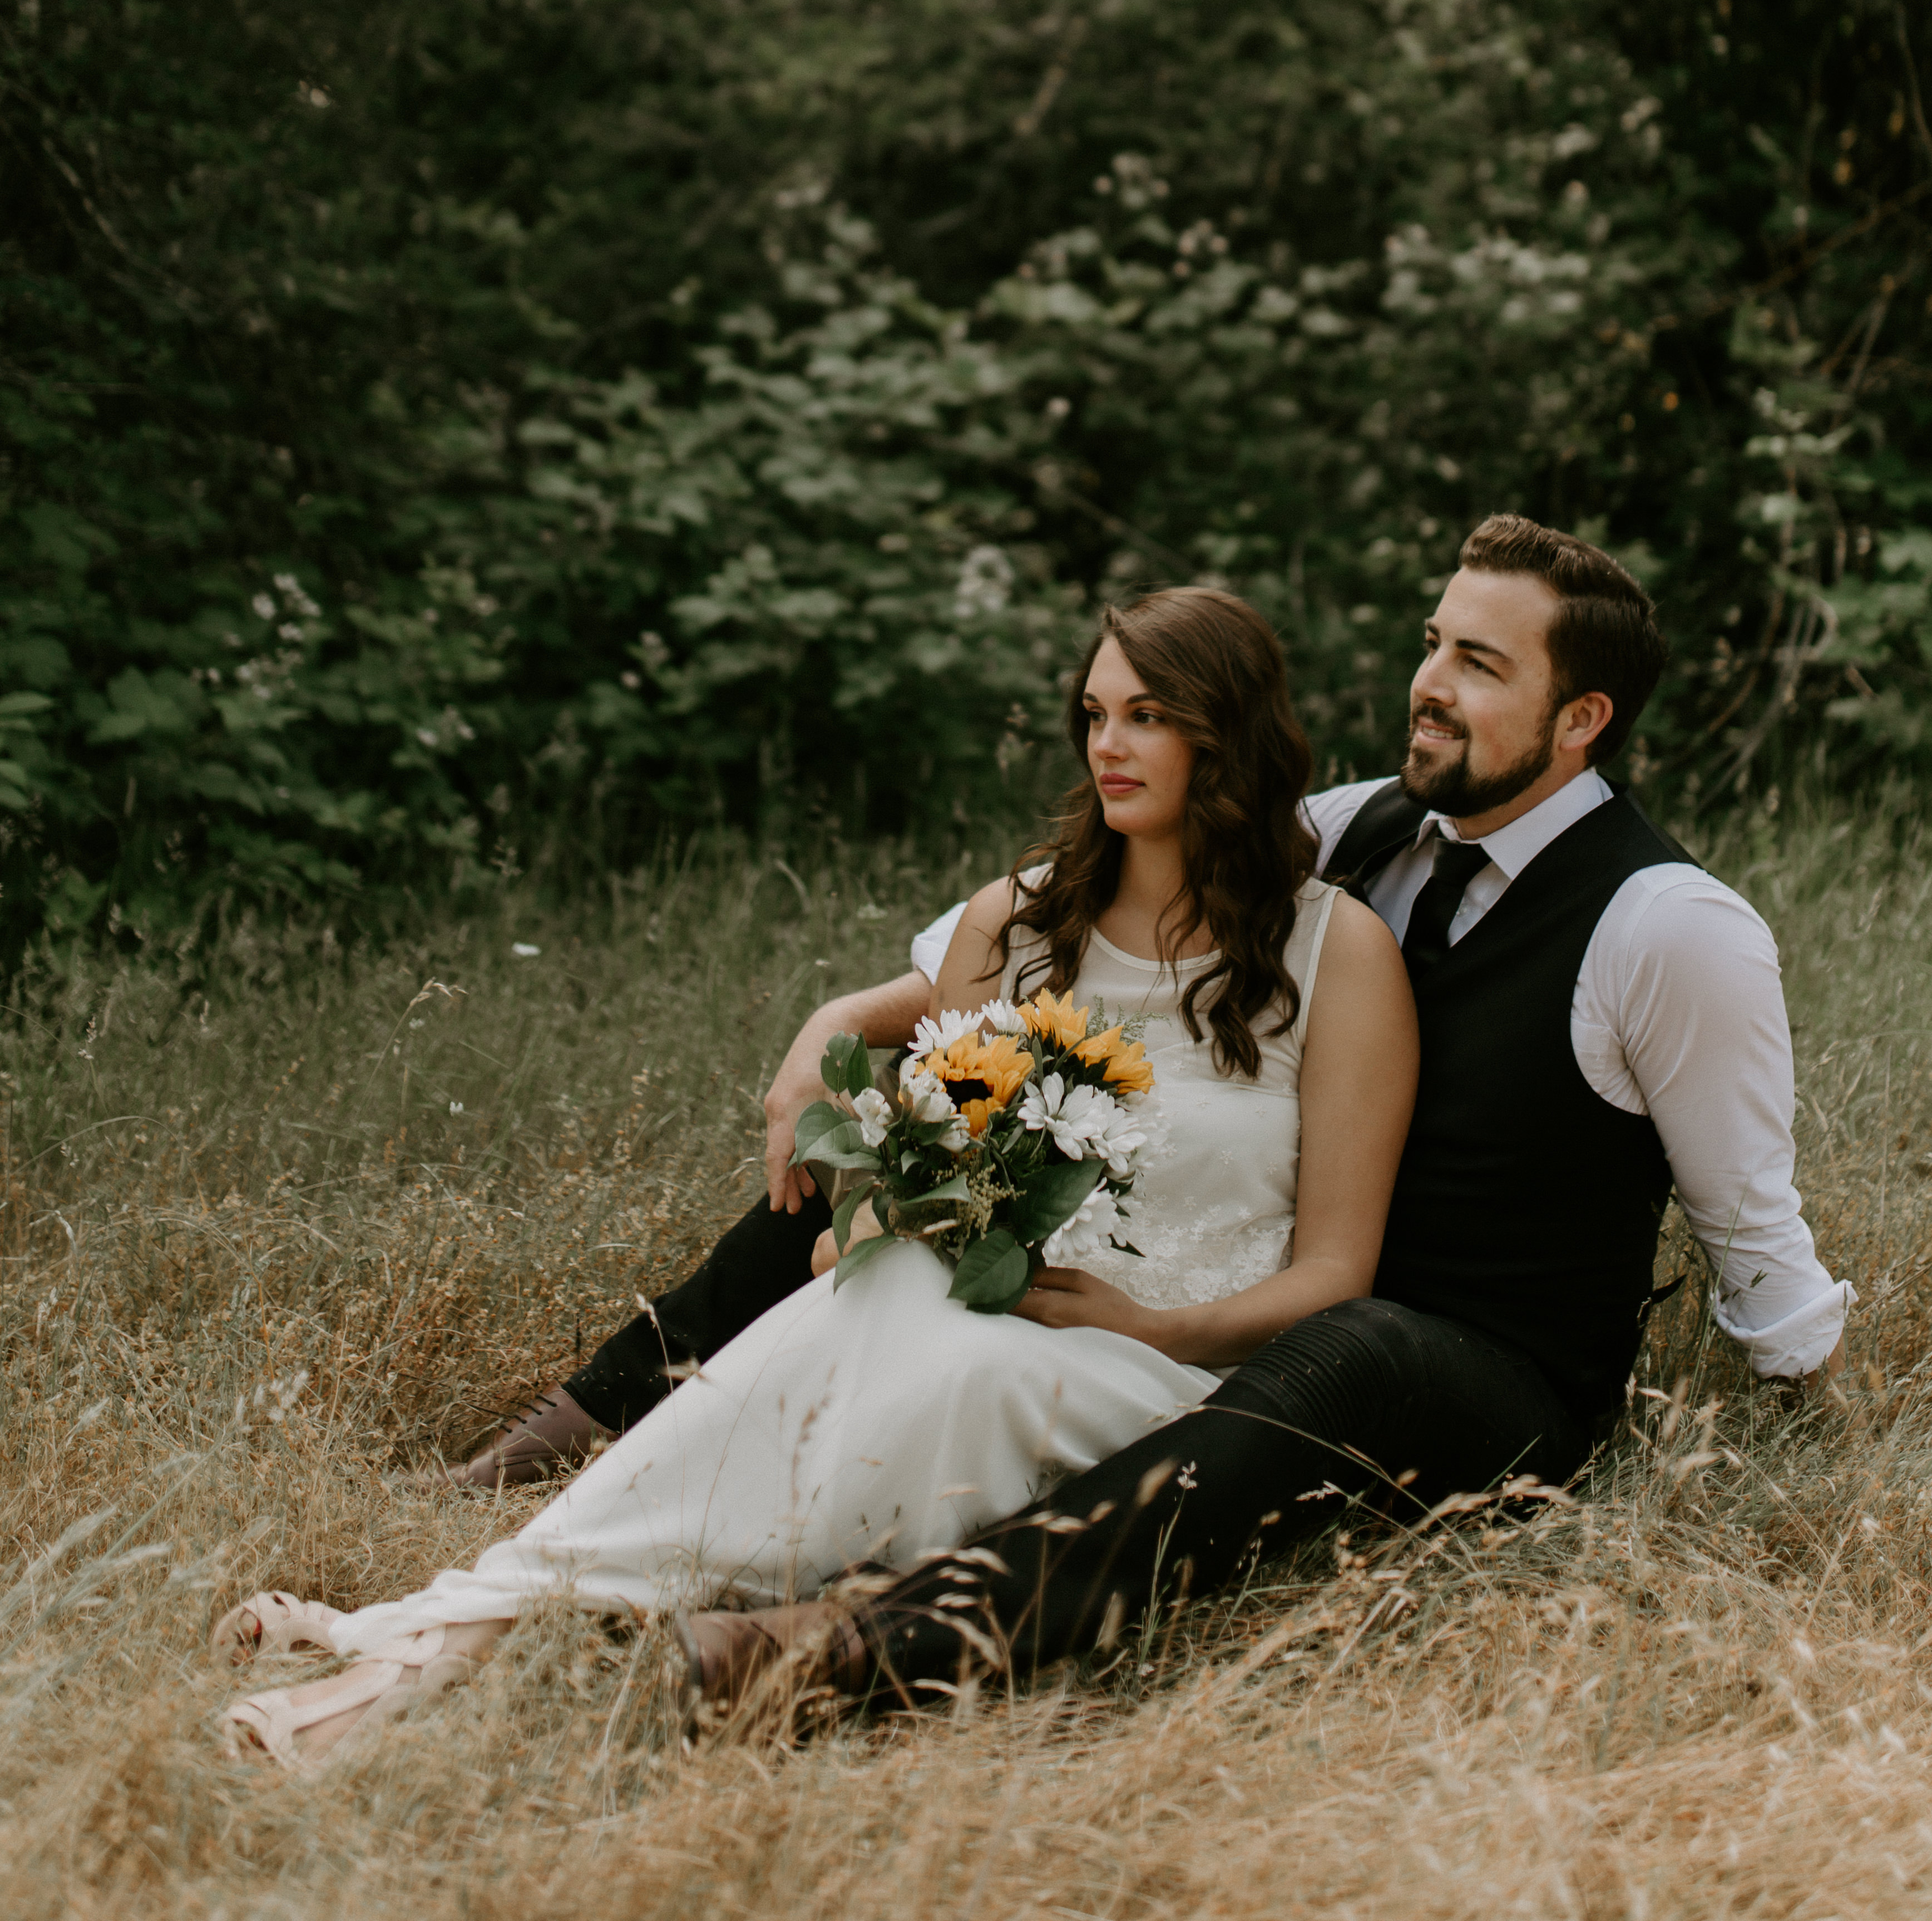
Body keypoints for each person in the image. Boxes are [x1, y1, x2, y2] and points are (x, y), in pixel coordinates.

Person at [670, 514, 1853, 1714]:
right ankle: (588, 1423)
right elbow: (1044, 928)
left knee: (1349, 1353)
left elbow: (1749, 1218)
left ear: (1583, 718)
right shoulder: (1363, 828)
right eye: (1435, 644)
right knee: (921, 1160)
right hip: (1293, 1289)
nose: (1429, 687)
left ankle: (863, 1646)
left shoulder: (1673, 929)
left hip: (1488, 1373)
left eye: (1480, 666)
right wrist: (841, 1024)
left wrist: (1816, 1417)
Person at [213, 587, 1415, 1763]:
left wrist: (1160, 1320)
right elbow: (913, 1183)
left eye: (1148, 715)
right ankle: (455, 1639)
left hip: (1167, 1371)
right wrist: (887, 1213)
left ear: (1232, 734)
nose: (1109, 744)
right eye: (1094, 714)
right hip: (965, 1317)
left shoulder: (1337, 952)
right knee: (882, 1298)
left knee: (949, 1357)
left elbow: (1336, 1272)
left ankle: (451, 1638)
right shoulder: (1013, 927)